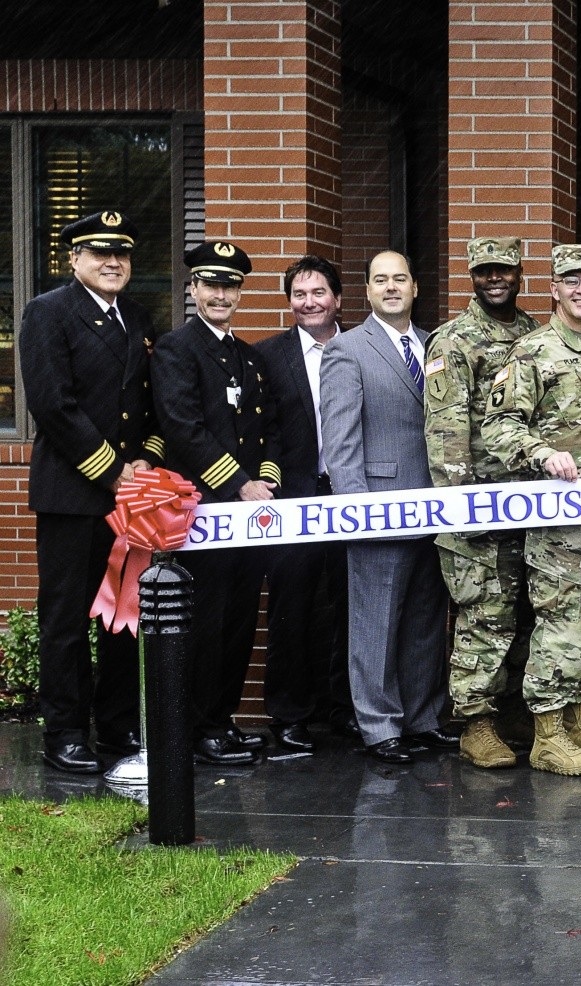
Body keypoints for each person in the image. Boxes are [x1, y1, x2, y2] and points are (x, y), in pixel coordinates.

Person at [19, 211, 162, 773]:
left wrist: (148, 459)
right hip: (73, 494)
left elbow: (151, 405)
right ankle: (65, 732)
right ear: (73, 259)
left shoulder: (139, 317)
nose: (113, 262)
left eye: (121, 254)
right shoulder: (48, 312)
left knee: (122, 619)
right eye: (99, 252)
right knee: (68, 617)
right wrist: (113, 471)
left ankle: (118, 724)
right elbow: (53, 404)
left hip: (129, 498)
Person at [483, 244, 581, 776]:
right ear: (555, 288)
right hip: (560, 523)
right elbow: (498, 427)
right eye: (571, 280)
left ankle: (577, 718)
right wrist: (542, 453)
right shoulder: (532, 352)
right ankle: (546, 733)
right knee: (561, 623)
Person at [319, 250, 455, 765]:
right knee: (375, 620)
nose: (392, 287)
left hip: (435, 508)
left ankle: (421, 717)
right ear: (368, 291)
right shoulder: (347, 350)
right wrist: (358, 510)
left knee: (425, 617)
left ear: (415, 287)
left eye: (401, 278)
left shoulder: (433, 346)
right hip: (379, 505)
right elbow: (340, 440)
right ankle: (378, 726)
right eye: (381, 280)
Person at [153, 240, 281, 766]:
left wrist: (266, 481)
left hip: (247, 517)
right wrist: (238, 484)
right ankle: (200, 727)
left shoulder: (248, 357)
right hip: (205, 513)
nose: (221, 294)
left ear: (240, 293)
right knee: (206, 623)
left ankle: (222, 720)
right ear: (194, 289)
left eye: (230, 286)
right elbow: (182, 428)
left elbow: (268, 430)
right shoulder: (176, 349)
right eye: (211, 284)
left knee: (240, 621)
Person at [424, 236, 541, 769]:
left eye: (504, 270)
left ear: (520, 272)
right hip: (477, 508)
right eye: (484, 271)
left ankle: (515, 713)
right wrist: (462, 508)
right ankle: (475, 722)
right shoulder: (453, 340)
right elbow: (446, 431)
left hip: (530, 505)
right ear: (472, 276)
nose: (495, 279)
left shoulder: (534, 334)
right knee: (484, 615)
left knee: (524, 613)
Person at [256, 255, 352, 751]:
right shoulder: (267, 357)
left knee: (350, 606)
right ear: (289, 300)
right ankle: (289, 715)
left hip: (352, 497)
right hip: (294, 496)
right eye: (299, 294)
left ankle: (346, 709)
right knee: (291, 607)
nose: (309, 302)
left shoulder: (362, 348)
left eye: (319, 293)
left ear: (337, 298)